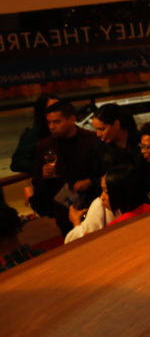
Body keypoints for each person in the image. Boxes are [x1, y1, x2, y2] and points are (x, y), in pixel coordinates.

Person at [30, 99, 99, 235]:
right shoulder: (44, 146)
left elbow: (104, 171)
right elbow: (36, 181)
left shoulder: (92, 140)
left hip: (93, 203)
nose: (52, 126)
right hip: (64, 210)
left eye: (57, 122)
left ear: (72, 119)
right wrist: (43, 175)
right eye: (49, 122)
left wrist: (90, 181)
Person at [65, 164, 150, 244]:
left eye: (106, 191)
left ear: (121, 193)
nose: (101, 197)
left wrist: (76, 221)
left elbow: (76, 243)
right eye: (102, 190)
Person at [9, 95, 59, 175]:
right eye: (52, 109)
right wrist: (41, 166)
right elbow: (16, 164)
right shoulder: (33, 135)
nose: (57, 112)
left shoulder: (65, 131)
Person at [90, 103, 143, 175]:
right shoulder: (99, 149)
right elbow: (97, 176)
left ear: (116, 124)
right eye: (96, 129)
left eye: (102, 129)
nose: (98, 134)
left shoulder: (142, 142)